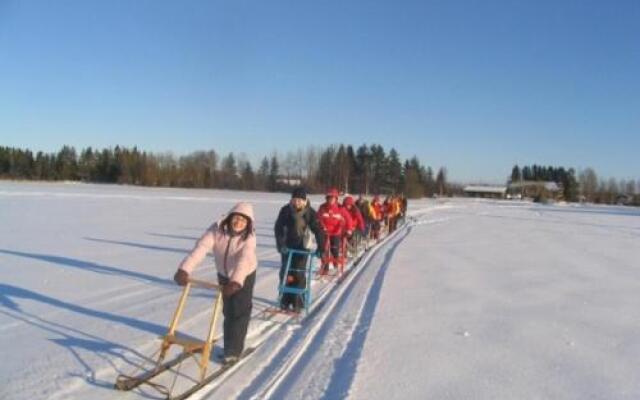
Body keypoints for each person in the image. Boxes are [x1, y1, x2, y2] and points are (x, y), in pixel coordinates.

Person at [173, 202, 257, 365]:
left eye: (243, 220)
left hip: (244, 275)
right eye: (237, 218)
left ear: (248, 223)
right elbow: (201, 249)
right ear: (230, 217)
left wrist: (236, 282)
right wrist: (184, 270)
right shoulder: (216, 229)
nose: (239, 222)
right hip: (224, 274)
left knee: (239, 311)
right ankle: (229, 346)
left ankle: (233, 351)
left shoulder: (249, 238)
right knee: (227, 309)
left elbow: (244, 260)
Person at [274, 187, 325, 312]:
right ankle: (284, 300)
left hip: (303, 246)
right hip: (287, 246)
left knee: (298, 273)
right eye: (294, 200)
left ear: (305, 200)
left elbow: (318, 230)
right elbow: (278, 228)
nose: (296, 203)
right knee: (285, 272)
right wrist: (281, 245)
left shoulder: (310, 213)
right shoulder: (285, 210)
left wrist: (321, 247)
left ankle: (298, 302)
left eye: (299, 200)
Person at [317, 187, 352, 274]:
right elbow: (318, 218)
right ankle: (325, 268)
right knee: (324, 250)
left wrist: (349, 229)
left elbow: (349, 219)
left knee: (334, 249)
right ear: (327, 198)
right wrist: (321, 226)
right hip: (325, 232)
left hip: (336, 232)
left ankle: (336, 264)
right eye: (329, 198)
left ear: (336, 199)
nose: (331, 200)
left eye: (333, 198)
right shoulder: (322, 207)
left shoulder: (341, 208)